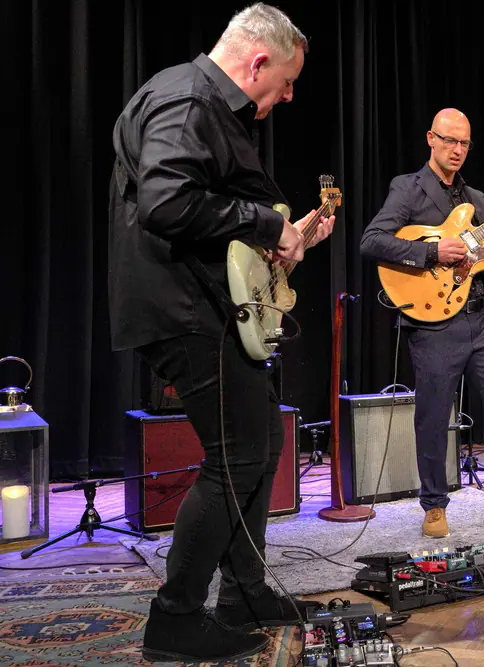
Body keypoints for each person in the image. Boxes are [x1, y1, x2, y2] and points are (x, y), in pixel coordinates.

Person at [108, 4, 333, 663]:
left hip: (211, 304)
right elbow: (168, 202)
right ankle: (174, 618)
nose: (288, 96)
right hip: (183, 308)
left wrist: (284, 241)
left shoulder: (207, 107)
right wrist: (268, 226)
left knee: (263, 442)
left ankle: (244, 593)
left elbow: (214, 220)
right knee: (238, 452)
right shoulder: (187, 100)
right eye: (286, 81)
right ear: (258, 62)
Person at [360, 108, 484, 539]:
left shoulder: (477, 199)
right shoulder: (407, 189)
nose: (457, 149)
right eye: (450, 140)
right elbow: (372, 242)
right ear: (431, 139)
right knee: (432, 416)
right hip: (433, 325)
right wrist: (431, 252)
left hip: (481, 318)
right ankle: (433, 506)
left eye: (464, 143)